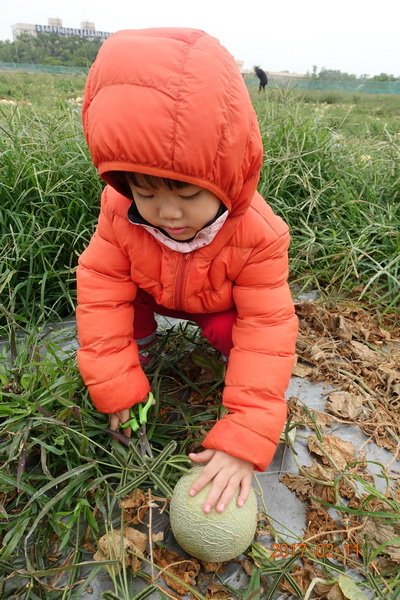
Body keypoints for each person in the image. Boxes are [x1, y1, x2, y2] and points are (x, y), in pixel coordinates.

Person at [76, 28, 298, 515]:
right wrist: (115, 383)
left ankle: (226, 372)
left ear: (228, 177)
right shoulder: (118, 214)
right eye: (148, 194)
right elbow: (101, 294)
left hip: (216, 303)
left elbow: (268, 329)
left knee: (235, 334)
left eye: (188, 194)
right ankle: (144, 350)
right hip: (151, 290)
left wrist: (245, 434)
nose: (168, 214)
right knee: (121, 300)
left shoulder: (259, 235)